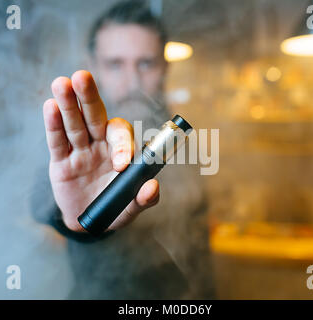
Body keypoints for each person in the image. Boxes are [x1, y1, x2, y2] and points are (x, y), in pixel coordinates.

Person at [31, 0, 215, 299]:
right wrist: (74, 218)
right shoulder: (74, 141)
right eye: (115, 64)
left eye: (146, 63)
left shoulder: (178, 135)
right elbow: (42, 201)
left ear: (165, 66)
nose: (133, 82)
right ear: (93, 65)